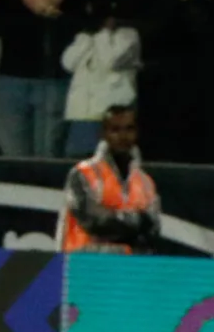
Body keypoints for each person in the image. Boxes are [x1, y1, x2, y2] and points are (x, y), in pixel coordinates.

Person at [59, 102, 159, 252]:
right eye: (115, 130)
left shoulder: (146, 183)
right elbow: (94, 221)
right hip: (84, 267)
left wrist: (116, 220)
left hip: (130, 269)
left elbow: (153, 229)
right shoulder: (82, 174)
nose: (123, 136)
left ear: (137, 132)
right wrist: (137, 221)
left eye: (129, 129)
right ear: (103, 134)